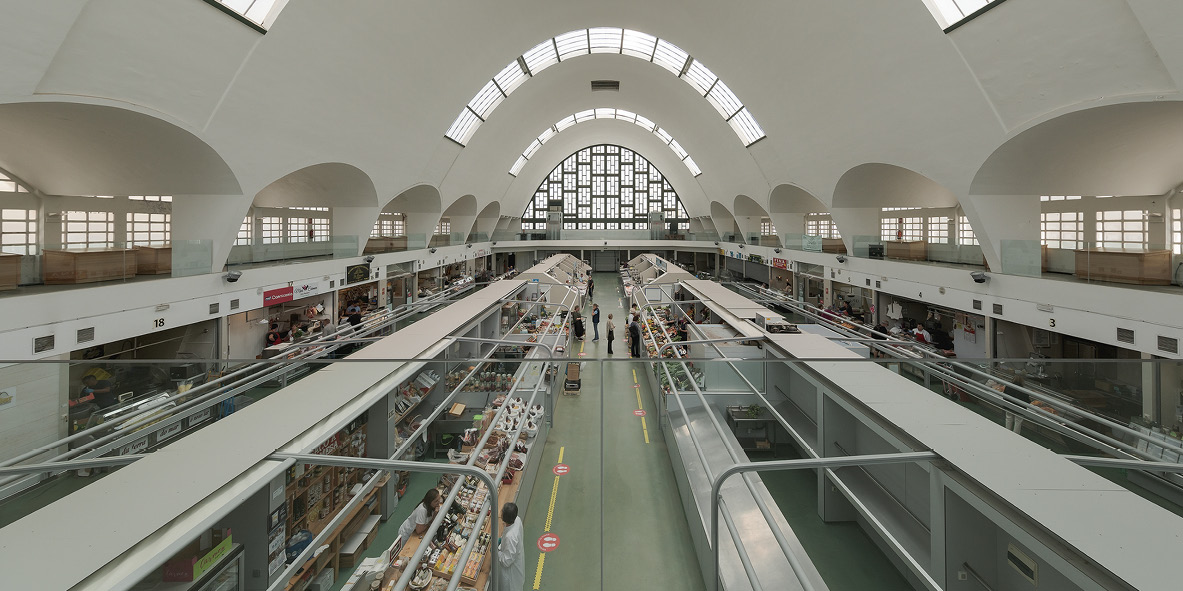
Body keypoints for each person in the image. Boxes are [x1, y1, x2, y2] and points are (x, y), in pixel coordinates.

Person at [496, 502, 525, 591]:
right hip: (517, 560)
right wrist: (502, 540)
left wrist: (496, 551)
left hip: (510, 573)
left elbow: (506, 561)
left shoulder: (510, 537)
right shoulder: (517, 520)